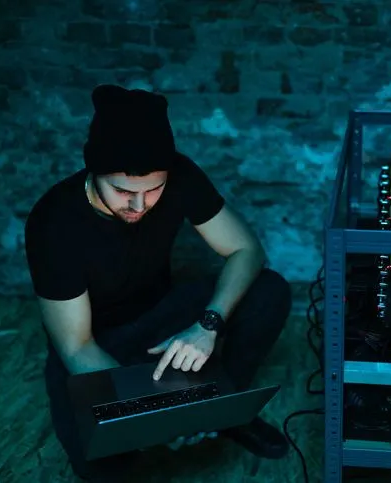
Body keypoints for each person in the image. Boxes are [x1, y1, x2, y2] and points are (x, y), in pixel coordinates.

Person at [23, 85, 292, 481]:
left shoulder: (180, 174)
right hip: (95, 343)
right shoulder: (54, 222)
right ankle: (186, 411)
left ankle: (222, 406)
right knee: (106, 467)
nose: (138, 206)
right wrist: (153, 415)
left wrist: (208, 325)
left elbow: (246, 250)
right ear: (94, 171)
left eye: (153, 190)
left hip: (162, 321)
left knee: (269, 291)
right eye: (122, 191)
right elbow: (77, 346)